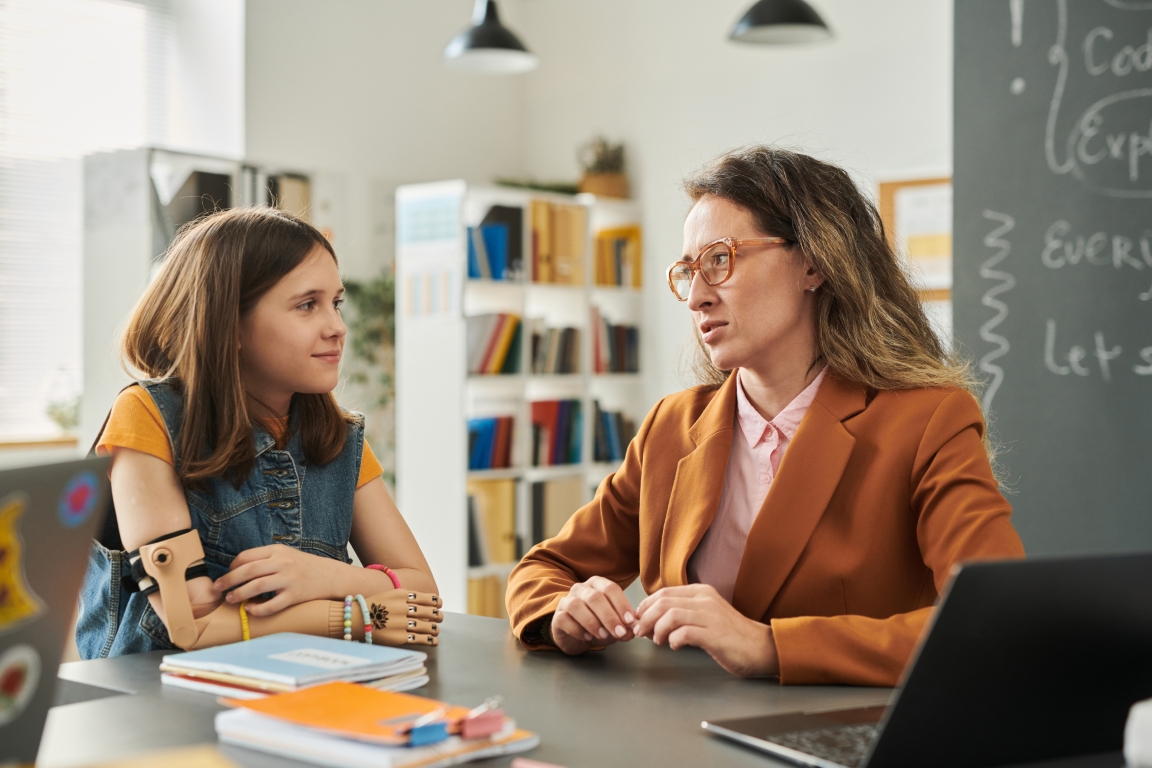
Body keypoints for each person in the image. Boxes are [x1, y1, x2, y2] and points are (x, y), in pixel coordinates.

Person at [506, 146, 1025, 686]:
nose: (697, 297)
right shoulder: (672, 426)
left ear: (814, 264)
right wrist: (564, 612)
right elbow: (542, 571)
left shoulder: (927, 421)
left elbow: (999, 623)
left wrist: (771, 646)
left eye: (720, 260)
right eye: (688, 270)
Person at [76, 207, 441, 658]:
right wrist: (356, 615)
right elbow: (191, 623)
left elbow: (424, 597)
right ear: (227, 324)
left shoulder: (340, 437)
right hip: (162, 706)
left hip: (307, 692)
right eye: (308, 305)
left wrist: (326, 577)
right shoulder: (146, 416)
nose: (338, 327)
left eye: (336, 302)